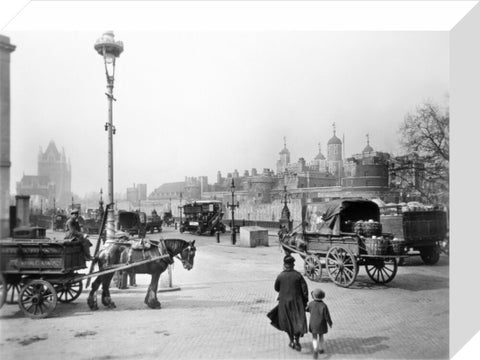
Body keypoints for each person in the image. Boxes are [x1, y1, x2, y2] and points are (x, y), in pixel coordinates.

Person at [274, 255, 309, 351]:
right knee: (297, 322)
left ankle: (291, 341)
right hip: (297, 303)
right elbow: (305, 289)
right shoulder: (298, 275)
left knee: (287, 322)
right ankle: (297, 342)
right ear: (293, 265)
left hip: (284, 303)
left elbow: (276, 288)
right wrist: (305, 301)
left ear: (285, 265)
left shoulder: (281, 275)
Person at [306, 288, 333, 358]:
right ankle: (321, 349)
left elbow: (307, 309)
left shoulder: (311, 304)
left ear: (313, 296)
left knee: (314, 337)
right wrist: (330, 323)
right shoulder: (324, 305)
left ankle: (315, 349)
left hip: (313, 324)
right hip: (321, 324)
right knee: (321, 336)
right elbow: (327, 316)